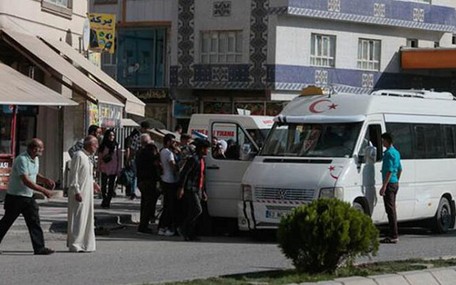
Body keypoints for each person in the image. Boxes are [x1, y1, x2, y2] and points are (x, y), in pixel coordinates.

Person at [0, 138, 55, 255]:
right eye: (40, 148)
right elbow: (26, 180)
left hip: (28, 196)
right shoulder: (22, 159)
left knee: (34, 221)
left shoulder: (35, 159)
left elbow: (34, 174)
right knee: (6, 222)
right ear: (34, 149)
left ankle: (39, 248)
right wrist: (43, 190)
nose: (42, 150)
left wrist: (44, 180)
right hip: (16, 197)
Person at [67, 136, 100, 253]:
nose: (97, 147)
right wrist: (76, 190)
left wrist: (94, 183)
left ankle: (85, 243)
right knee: (78, 218)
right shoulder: (78, 156)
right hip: (79, 192)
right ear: (89, 145)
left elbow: (87, 175)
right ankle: (76, 244)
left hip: (87, 192)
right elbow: (74, 175)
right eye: (95, 144)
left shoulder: (87, 157)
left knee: (86, 218)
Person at [177, 138, 211, 241]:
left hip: (198, 188)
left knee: (194, 211)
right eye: (206, 149)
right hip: (191, 188)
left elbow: (203, 176)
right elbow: (184, 174)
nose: (208, 151)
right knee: (197, 210)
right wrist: (181, 188)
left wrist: (204, 191)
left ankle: (190, 234)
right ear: (202, 149)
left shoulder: (202, 160)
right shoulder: (193, 159)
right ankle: (183, 228)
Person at [135, 133, 161, 234]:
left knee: (144, 203)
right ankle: (143, 226)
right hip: (149, 180)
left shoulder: (139, 152)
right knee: (148, 204)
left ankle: (143, 224)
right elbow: (155, 162)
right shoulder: (150, 151)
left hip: (141, 180)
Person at [379, 132, 402, 244]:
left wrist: (384, 186)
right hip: (395, 183)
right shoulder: (396, 152)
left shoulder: (388, 154)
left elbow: (389, 170)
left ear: (387, 141)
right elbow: (400, 169)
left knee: (390, 210)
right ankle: (393, 233)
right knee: (392, 209)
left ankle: (393, 235)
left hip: (389, 184)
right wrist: (396, 180)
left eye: (383, 140)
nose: (382, 142)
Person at [157, 133, 179, 236]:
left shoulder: (162, 151)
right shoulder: (169, 153)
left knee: (166, 206)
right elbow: (173, 167)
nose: (175, 144)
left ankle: (162, 226)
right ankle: (165, 227)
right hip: (170, 181)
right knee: (170, 206)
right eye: (173, 142)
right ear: (168, 142)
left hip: (164, 179)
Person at [124, 121, 151, 199]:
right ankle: (133, 192)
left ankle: (137, 191)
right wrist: (130, 158)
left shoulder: (147, 136)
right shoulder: (137, 136)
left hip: (143, 158)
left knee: (138, 175)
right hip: (137, 158)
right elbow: (132, 149)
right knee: (135, 175)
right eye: (146, 129)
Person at [98, 129, 121, 209]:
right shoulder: (103, 145)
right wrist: (98, 168)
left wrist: (119, 169)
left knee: (111, 186)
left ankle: (108, 201)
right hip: (104, 168)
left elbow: (119, 158)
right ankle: (104, 199)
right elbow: (100, 157)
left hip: (113, 168)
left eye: (113, 135)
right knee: (103, 186)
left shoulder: (117, 146)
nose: (112, 137)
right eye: (110, 135)